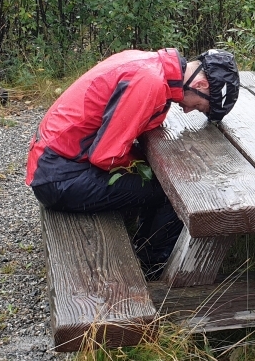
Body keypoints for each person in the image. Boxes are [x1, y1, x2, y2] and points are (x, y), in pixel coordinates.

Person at [25, 48, 240, 278]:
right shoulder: (149, 82)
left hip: (55, 161)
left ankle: (144, 247)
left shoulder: (151, 65)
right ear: (200, 86)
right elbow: (106, 156)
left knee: (159, 183)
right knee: (172, 191)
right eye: (198, 106)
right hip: (59, 177)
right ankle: (153, 270)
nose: (187, 110)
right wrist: (151, 167)